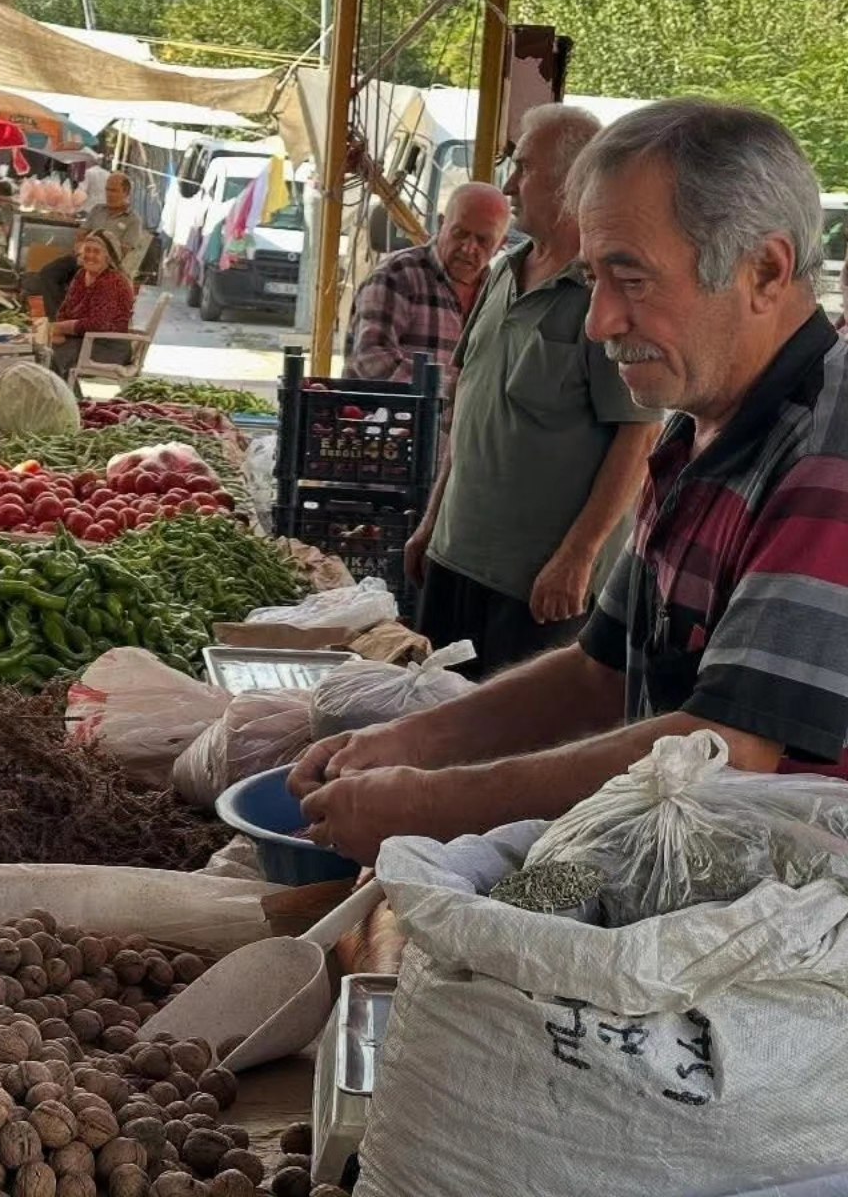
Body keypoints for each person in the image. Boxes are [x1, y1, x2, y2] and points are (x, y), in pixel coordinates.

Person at [289, 99, 848, 862]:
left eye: (632, 279)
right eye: (592, 279)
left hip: (786, 931)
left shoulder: (830, 452)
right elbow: (599, 669)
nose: (599, 322)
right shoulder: (697, 427)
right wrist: (406, 742)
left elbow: (730, 749)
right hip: (674, 876)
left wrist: (429, 803)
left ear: (765, 270)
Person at [405, 106, 662, 679]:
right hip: (455, 562)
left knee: (503, 752)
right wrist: (431, 522)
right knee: (432, 728)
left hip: (534, 588)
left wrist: (579, 555)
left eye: (524, 168)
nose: (509, 185)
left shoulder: (604, 294)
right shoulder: (502, 274)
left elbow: (638, 437)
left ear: (572, 183)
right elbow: (470, 409)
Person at [344, 182, 510, 382]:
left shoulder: (501, 294)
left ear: (501, 244)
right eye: (460, 233)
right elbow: (370, 360)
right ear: (441, 224)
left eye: (483, 240)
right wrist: (453, 388)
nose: (468, 248)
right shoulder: (396, 276)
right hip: (385, 413)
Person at [50, 230, 136, 380]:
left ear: (108, 257)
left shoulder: (111, 282)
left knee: (52, 356)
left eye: (96, 252)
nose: (90, 256)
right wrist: (57, 331)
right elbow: (65, 310)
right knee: (41, 348)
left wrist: (59, 328)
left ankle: (65, 399)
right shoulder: (81, 275)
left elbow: (97, 324)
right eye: (87, 250)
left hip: (108, 347)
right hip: (83, 340)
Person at [81, 171, 149, 279]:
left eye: (113, 190)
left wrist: (97, 259)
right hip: (84, 259)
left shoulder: (133, 220)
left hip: (108, 268)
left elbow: (123, 252)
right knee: (50, 271)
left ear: (126, 192)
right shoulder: (97, 210)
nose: (109, 194)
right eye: (107, 189)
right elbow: (82, 235)